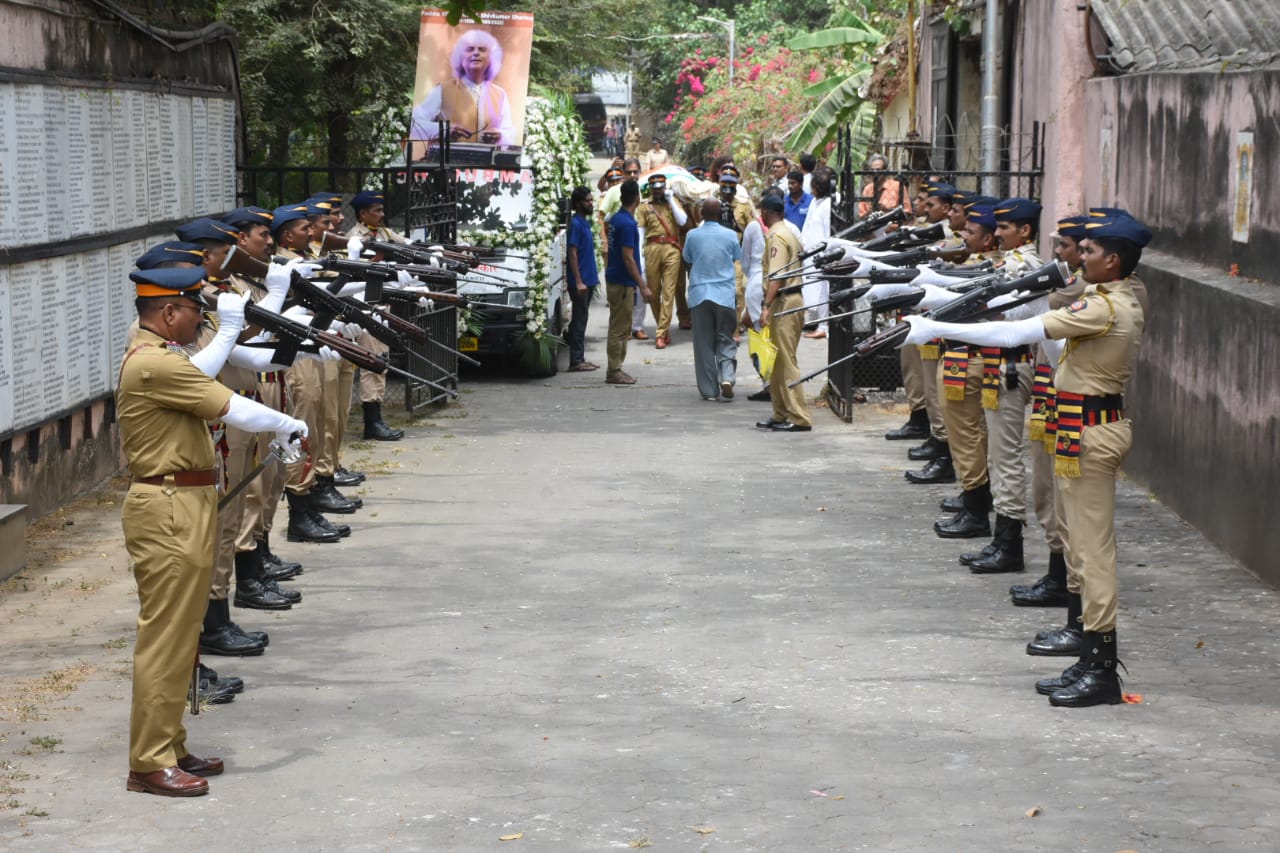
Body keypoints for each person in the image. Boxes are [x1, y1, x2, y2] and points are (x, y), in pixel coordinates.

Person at [902, 210, 1151, 707]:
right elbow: (1050, 340)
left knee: (1092, 553)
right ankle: (1089, 653)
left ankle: (1102, 668)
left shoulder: (1107, 306)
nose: (1079, 256)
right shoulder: (1102, 299)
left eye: (1090, 252)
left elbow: (1019, 333)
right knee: (1081, 547)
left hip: (1091, 434)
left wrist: (936, 325)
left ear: (1114, 260)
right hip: (1079, 428)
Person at [118, 251, 307, 796]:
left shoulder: (164, 353)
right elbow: (233, 408)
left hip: (187, 503)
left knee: (184, 636)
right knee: (167, 636)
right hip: (168, 507)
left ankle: (170, 743)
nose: (201, 320)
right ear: (170, 312)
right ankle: (149, 761)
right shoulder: (154, 361)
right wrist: (288, 423)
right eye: (194, 312)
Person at [344, 189, 407, 441]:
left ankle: (376, 419)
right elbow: (355, 272)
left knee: (380, 360)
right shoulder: (353, 239)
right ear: (362, 214)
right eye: (376, 211)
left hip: (382, 304)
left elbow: (407, 246)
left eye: (382, 210)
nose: (381, 215)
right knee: (373, 362)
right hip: (365, 306)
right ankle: (372, 423)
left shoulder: (384, 234)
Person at [756, 194, 812, 432]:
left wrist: (766, 305)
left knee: (786, 361)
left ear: (767, 213)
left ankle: (799, 417)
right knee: (778, 361)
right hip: (788, 299)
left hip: (785, 300)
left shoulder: (777, 236)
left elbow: (776, 277)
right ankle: (781, 412)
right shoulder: (788, 231)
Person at [410, 29, 515, 147]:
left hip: (486, 164)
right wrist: (444, 130)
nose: (476, 53)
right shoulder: (442, 90)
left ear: (491, 58)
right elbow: (415, 125)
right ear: (460, 58)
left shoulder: (500, 94)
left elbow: (509, 133)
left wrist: (500, 135)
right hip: (449, 162)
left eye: (482, 49)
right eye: (470, 49)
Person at [683, 198, 742, 400]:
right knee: (725, 337)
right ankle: (727, 376)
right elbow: (736, 256)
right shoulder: (731, 235)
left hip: (700, 294)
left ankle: (709, 390)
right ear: (720, 214)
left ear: (701, 214)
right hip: (724, 294)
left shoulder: (692, 235)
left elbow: (688, 259)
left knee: (704, 344)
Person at [603, 179, 652, 385]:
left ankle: (617, 368)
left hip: (616, 278)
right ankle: (614, 370)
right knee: (619, 327)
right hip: (622, 281)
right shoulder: (628, 224)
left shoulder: (615, 219)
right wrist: (642, 284)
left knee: (622, 325)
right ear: (637, 198)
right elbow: (628, 257)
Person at [635, 174, 688, 348]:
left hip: (672, 248)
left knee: (669, 291)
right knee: (653, 292)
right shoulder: (644, 206)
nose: (658, 191)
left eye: (661, 187)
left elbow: (682, 220)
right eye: (655, 188)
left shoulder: (673, 202)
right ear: (650, 188)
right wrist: (640, 259)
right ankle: (662, 328)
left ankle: (660, 334)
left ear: (665, 187)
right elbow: (640, 233)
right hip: (652, 248)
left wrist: (671, 199)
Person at [565, 186, 599, 372]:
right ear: (578, 204)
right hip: (581, 281)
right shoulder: (576, 224)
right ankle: (576, 360)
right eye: (587, 200)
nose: (590, 203)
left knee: (581, 319)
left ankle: (580, 357)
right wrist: (578, 281)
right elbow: (572, 253)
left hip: (589, 279)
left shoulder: (584, 222)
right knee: (579, 320)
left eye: (591, 200)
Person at [799, 167, 833, 338]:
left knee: (822, 289)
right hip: (811, 253)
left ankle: (824, 326)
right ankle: (813, 321)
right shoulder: (816, 202)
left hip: (823, 254)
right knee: (810, 287)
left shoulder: (830, 204)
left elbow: (827, 231)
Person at [857, 153, 912, 218]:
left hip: (892, 227)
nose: (875, 173)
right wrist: (872, 211)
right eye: (872, 170)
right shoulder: (867, 189)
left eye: (878, 170)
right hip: (873, 227)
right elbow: (862, 215)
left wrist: (887, 211)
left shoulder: (898, 186)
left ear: (885, 170)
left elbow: (907, 212)